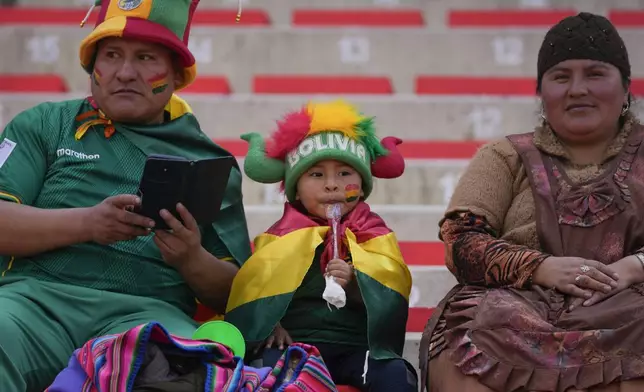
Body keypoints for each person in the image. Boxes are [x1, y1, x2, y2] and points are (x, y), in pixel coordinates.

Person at [0, 0, 251, 390]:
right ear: (92, 67)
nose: (125, 72)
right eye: (112, 55)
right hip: (34, 306)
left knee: (181, 369)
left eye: (146, 57)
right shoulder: (44, 125)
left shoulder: (208, 161)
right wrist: (88, 223)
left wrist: (190, 258)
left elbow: (234, 293)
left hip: (149, 316)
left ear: (175, 74)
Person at [419, 12, 644, 392]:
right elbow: (461, 241)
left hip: (628, 308)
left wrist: (634, 268)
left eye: (595, 74)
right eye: (560, 77)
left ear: (626, 89)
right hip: (516, 309)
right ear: (541, 93)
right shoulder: (503, 156)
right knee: (473, 332)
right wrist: (540, 267)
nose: (576, 89)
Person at [223, 100, 418, 391]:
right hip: (296, 346)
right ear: (295, 190)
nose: (332, 185)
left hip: (357, 348)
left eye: (345, 174)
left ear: (362, 186)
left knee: (396, 375)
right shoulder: (279, 237)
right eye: (316, 175)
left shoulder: (374, 235)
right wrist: (270, 325)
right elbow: (256, 295)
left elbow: (391, 300)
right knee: (266, 371)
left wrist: (356, 285)